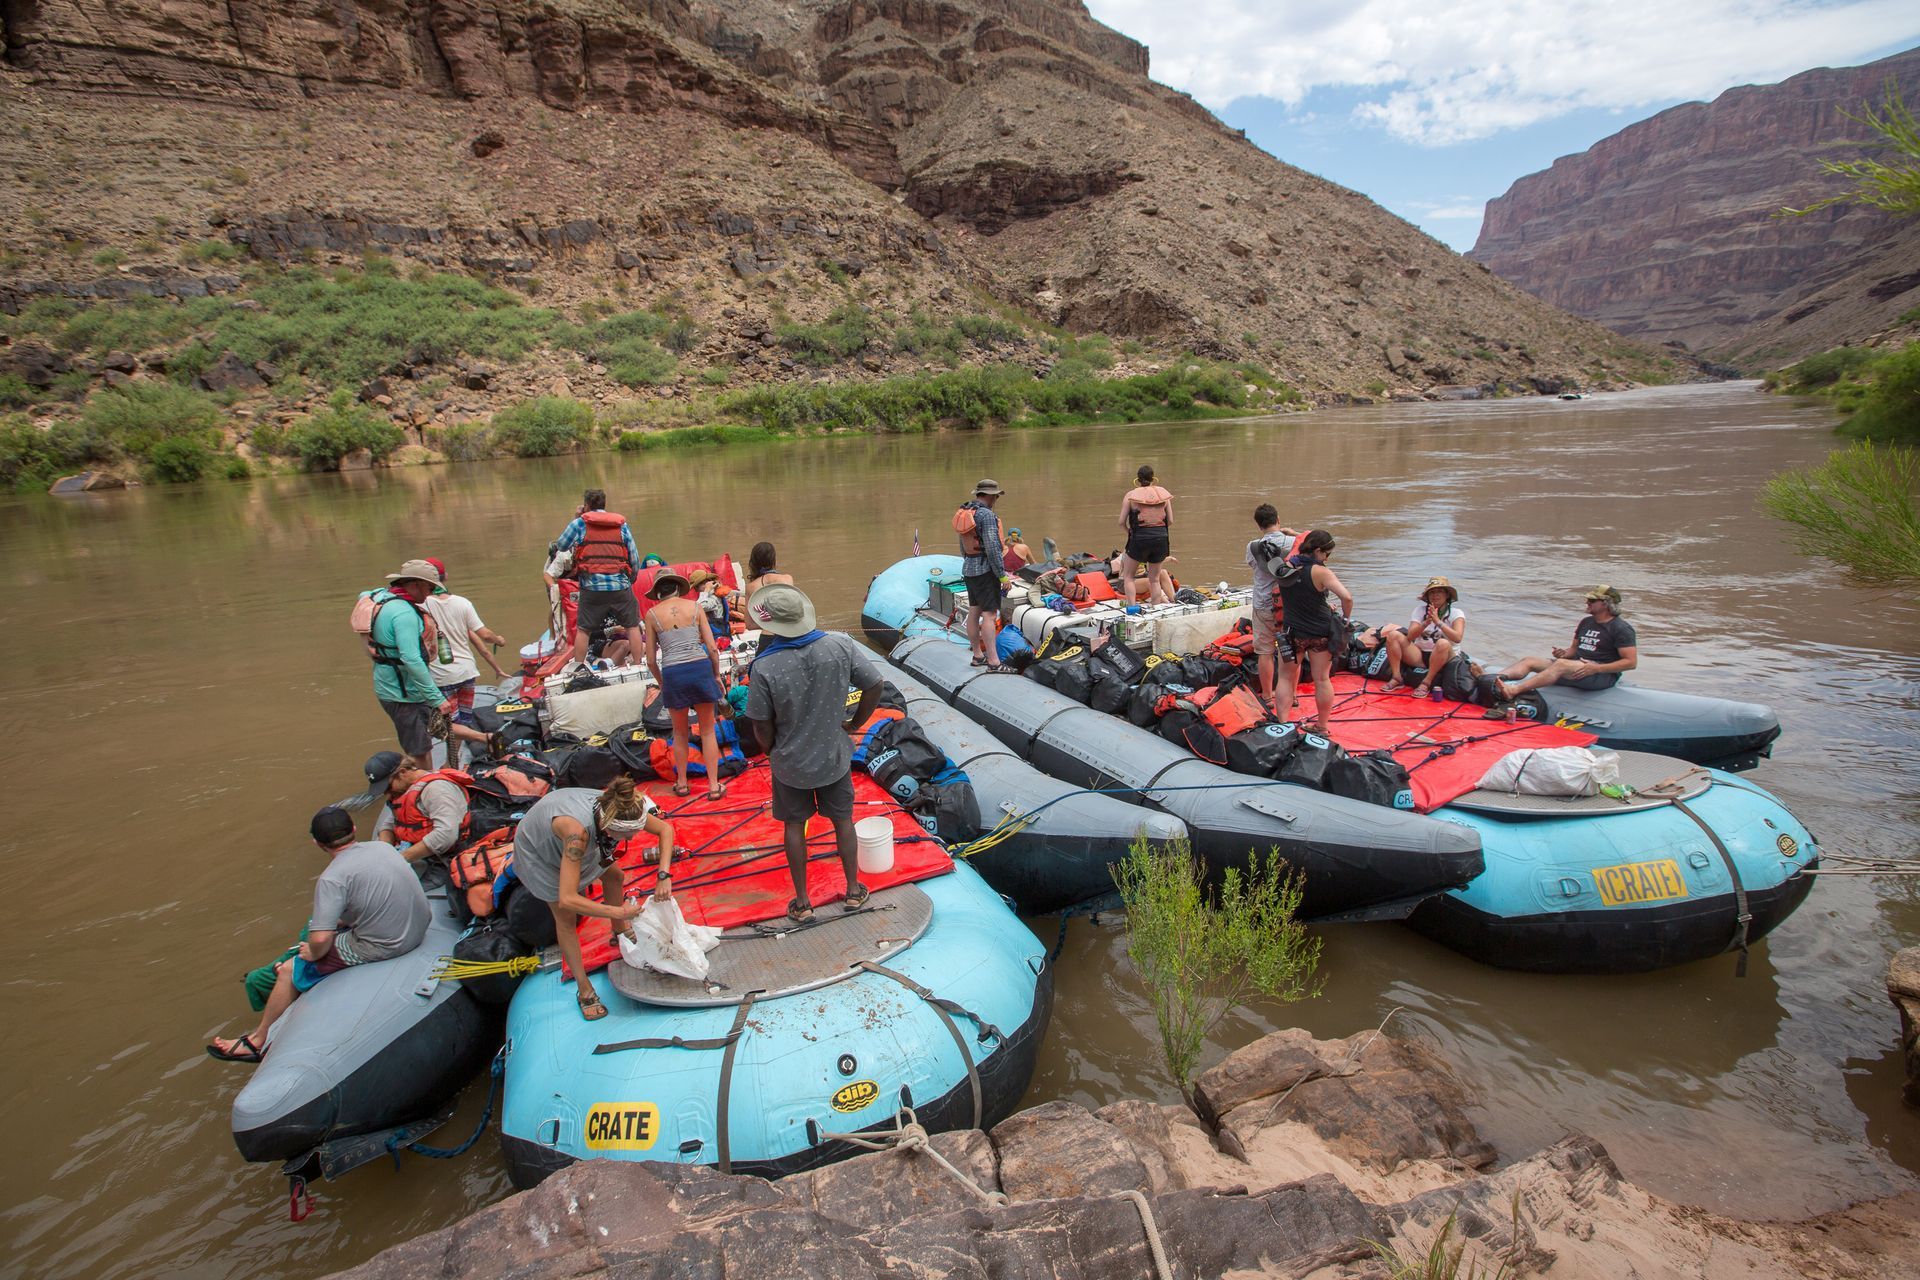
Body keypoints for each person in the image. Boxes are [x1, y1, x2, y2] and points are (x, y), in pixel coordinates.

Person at [207, 807, 432, 1062]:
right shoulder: (383, 848)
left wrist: (311, 953)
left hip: (387, 944)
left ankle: (257, 1041)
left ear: (317, 843)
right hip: (420, 926)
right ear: (354, 831)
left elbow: (321, 940)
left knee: (289, 970)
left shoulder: (332, 878)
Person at [743, 585, 882, 923]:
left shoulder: (765, 667)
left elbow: (760, 724)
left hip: (789, 763)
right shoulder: (840, 645)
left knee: (794, 825)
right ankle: (852, 890)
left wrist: (772, 749)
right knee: (843, 821)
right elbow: (874, 683)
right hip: (833, 755)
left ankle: (803, 902)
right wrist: (854, 723)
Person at [515, 777, 677, 1021]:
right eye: (626, 834)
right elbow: (568, 898)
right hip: (539, 853)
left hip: (588, 836)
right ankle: (585, 990)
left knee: (615, 876)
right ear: (607, 824)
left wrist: (663, 875)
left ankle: (618, 931)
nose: (631, 840)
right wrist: (618, 912)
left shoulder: (624, 806)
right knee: (565, 919)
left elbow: (665, 829)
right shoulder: (577, 837)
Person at [643, 571, 726, 800]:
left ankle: (681, 784)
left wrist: (662, 683)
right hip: (700, 669)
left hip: (673, 673)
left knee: (679, 733)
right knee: (708, 730)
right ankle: (713, 785)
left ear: (658, 593)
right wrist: (716, 675)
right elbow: (712, 649)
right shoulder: (696, 608)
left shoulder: (652, 614)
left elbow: (650, 659)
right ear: (678, 589)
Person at [368, 560, 456, 770]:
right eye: (428, 588)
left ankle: (424, 781)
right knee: (419, 751)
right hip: (403, 694)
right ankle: (423, 788)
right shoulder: (404, 614)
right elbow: (411, 659)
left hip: (389, 686)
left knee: (420, 744)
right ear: (415, 584)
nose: (429, 594)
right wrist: (436, 698)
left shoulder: (384, 598)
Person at [421, 557, 509, 762]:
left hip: (441, 675)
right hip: (467, 672)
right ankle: (452, 763)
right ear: (446, 577)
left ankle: (484, 738)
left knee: (445, 725)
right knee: (460, 721)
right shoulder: (462, 603)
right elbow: (483, 636)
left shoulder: (422, 605)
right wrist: (499, 641)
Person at [1496, 586, 1639, 700]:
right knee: (1530, 660)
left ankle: (1514, 690)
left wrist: (1596, 669)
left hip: (1600, 675)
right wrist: (1563, 654)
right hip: (1574, 667)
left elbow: (1630, 663)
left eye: (1592, 600)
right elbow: (1574, 649)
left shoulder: (1621, 629)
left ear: (1605, 604)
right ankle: (1493, 680)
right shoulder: (1586, 622)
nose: (1587, 602)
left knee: (1561, 665)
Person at [552, 489, 642, 669]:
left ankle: (578, 668)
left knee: (583, 630)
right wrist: (630, 580)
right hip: (620, 586)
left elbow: (561, 545)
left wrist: (576, 517)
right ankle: (640, 665)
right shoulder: (621, 526)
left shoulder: (579, 524)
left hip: (592, 587)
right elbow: (634, 558)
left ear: (586, 505)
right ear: (604, 504)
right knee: (632, 626)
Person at [1274, 531, 1353, 734]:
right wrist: (1345, 618)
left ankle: (1282, 725)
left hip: (1293, 630)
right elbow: (1347, 597)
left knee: (1284, 678)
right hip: (1320, 632)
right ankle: (1322, 726)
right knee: (1322, 679)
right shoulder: (1320, 572)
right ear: (1318, 550)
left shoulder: (1284, 568)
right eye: (1327, 554)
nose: (1327, 559)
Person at [365, 751, 472, 882]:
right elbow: (392, 821)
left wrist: (400, 858)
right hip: (417, 852)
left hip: (445, 857)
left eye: (387, 787)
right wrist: (384, 850)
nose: (387, 794)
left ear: (403, 772)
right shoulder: (405, 789)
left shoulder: (436, 790)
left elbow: (446, 835)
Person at [1245, 504, 1302, 711]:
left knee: (1265, 652)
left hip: (1263, 603)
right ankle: (1292, 694)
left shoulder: (1253, 546)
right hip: (1289, 605)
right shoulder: (1294, 542)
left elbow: (1254, 567)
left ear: (1259, 525)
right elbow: (1315, 542)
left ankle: (1268, 697)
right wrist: (1294, 533)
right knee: (1291, 652)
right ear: (1278, 518)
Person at [955, 479, 1008, 667]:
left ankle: (977, 655)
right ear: (990, 496)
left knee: (974, 610)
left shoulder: (966, 512)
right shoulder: (986, 516)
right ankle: (994, 661)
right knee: (990, 614)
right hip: (986, 570)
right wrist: (1002, 575)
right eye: (995, 496)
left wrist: (970, 561)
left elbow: (963, 547)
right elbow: (993, 547)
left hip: (969, 568)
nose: (996, 500)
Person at [1385, 577, 1467, 697]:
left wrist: (1438, 622)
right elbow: (1410, 636)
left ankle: (1426, 683)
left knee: (1442, 643)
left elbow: (1457, 638)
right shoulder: (1420, 611)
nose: (1435, 595)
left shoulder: (1456, 613)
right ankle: (1397, 677)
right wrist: (1425, 623)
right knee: (1393, 635)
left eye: (1439, 592)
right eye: (1432, 592)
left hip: (1445, 656)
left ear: (1447, 595)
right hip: (1420, 655)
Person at [1117, 465, 1174, 605]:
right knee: (1154, 579)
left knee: (1129, 577)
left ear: (1137, 479)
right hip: (1161, 538)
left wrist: (1129, 532)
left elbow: (1121, 522)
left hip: (1139, 538)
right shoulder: (1163, 496)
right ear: (1153, 478)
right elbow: (1170, 521)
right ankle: (1156, 609)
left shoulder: (1130, 496)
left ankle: (1132, 610)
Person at [688, 567, 743, 632]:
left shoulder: (713, 598)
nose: (696, 589)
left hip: (717, 633)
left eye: (697, 586)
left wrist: (706, 591)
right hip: (720, 629)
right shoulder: (714, 594)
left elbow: (698, 608)